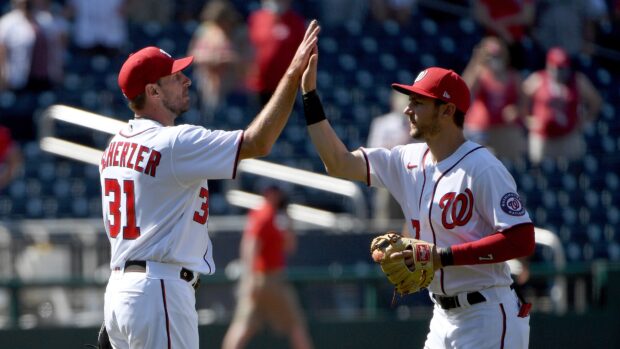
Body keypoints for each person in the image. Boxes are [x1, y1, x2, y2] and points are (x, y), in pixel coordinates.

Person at [100, 20, 319, 349]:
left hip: (120, 291)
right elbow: (258, 142)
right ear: (153, 91)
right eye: (175, 77)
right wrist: (290, 78)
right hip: (159, 288)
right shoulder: (173, 142)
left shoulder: (114, 145)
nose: (187, 80)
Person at [300, 48, 535, 347]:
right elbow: (338, 162)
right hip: (442, 316)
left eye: (418, 102)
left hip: (487, 315)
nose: (407, 110)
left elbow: (522, 239)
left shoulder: (483, 167)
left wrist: (443, 257)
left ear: (447, 111)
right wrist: (309, 96)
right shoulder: (406, 160)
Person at [221, 185, 313, 349]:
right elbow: (250, 246)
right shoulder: (266, 214)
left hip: (259, 280)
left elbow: (288, 246)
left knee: (243, 326)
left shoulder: (268, 215)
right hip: (269, 279)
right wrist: (249, 278)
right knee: (296, 326)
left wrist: (287, 220)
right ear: (270, 194)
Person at [522, 46, 602, 165]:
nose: (559, 72)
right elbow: (520, 98)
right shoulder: (538, 79)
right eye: (556, 68)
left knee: (574, 169)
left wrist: (586, 120)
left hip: (569, 136)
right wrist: (528, 120)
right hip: (543, 138)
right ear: (549, 66)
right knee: (540, 174)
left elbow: (596, 101)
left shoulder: (577, 80)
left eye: (562, 68)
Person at [461, 36, 526, 162]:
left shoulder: (514, 77)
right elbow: (464, 92)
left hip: (504, 130)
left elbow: (524, 106)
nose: (495, 59)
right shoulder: (479, 74)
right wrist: (476, 61)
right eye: (491, 55)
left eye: (498, 55)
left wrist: (516, 110)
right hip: (479, 130)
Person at [188, 0, 251, 122]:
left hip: (235, 87)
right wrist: (213, 59)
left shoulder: (241, 33)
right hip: (208, 86)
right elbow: (193, 56)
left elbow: (248, 61)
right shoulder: (205, 31)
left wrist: (230, 60)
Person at [246, 0, 306, 107]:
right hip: (258, 84)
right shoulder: (256, 18)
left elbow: (303, 51)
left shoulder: (296, 21)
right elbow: (248, 46)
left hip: (286, 84)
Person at [366, 90, 411, 225]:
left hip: (411, 179)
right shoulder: (383, 123)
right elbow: (373, 150)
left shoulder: (418, 124)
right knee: (386, 221)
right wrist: (398, 145)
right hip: (388, 180)